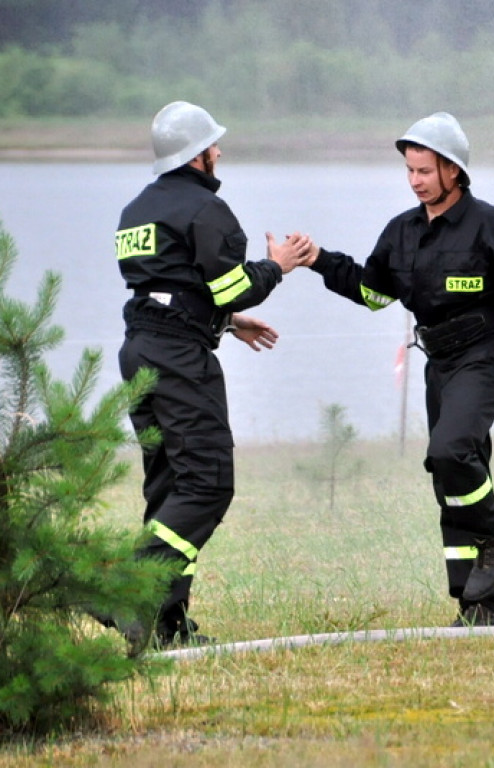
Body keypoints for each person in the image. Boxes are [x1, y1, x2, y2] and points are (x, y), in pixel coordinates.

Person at [304, 112, 494, 627]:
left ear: (452, 170)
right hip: (438, 363)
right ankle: (476, 606)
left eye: (424, 171)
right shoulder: (401, 231)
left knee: (448, 453)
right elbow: (373, 292)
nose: (415, 181)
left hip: (485, 356)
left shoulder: (489, 223)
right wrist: (318, 259)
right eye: (409, 171)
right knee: (454, 479)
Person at [113, 101, 313, 648]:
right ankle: (124, 589)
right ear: (197, 155)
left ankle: (163, 627)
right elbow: (234, 285)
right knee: (206, 484)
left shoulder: (135, 210)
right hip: (180, 358)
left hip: (141, 349)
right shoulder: (207, 209)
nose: (219, 152)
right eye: (214, 145)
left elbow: (168, 286)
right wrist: (279, 265)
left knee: (168, 484)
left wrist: (225, 322)